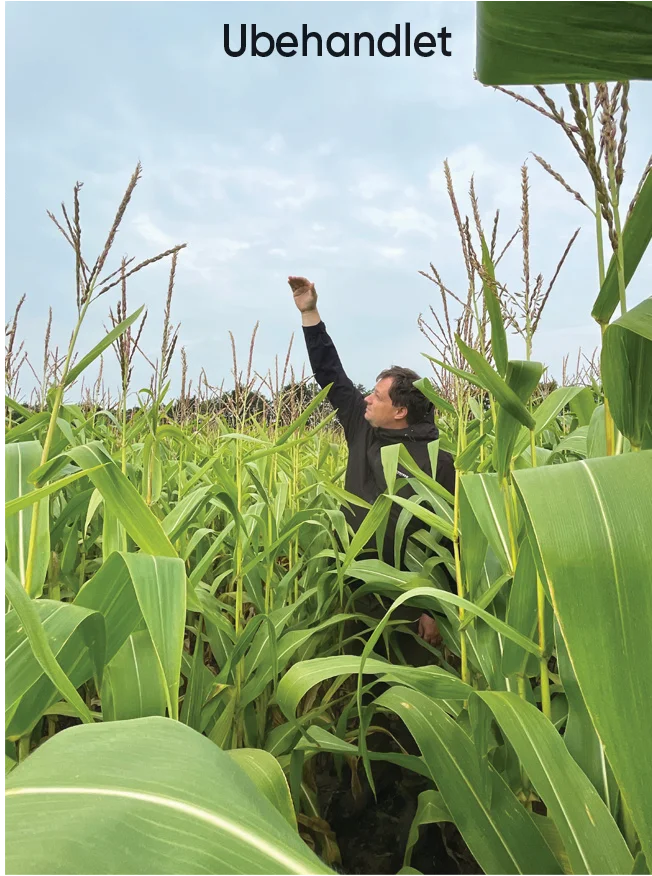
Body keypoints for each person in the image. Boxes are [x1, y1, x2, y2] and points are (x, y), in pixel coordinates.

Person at [288, 275, 456, 647]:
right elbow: (330, 375)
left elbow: (453, 542)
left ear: (399, 411)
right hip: (357, 586)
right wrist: (310, 312)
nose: (366, 399)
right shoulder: (362, 428)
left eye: (376, 396)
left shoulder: (439, 462)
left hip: (411, 606)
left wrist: (436, 609)